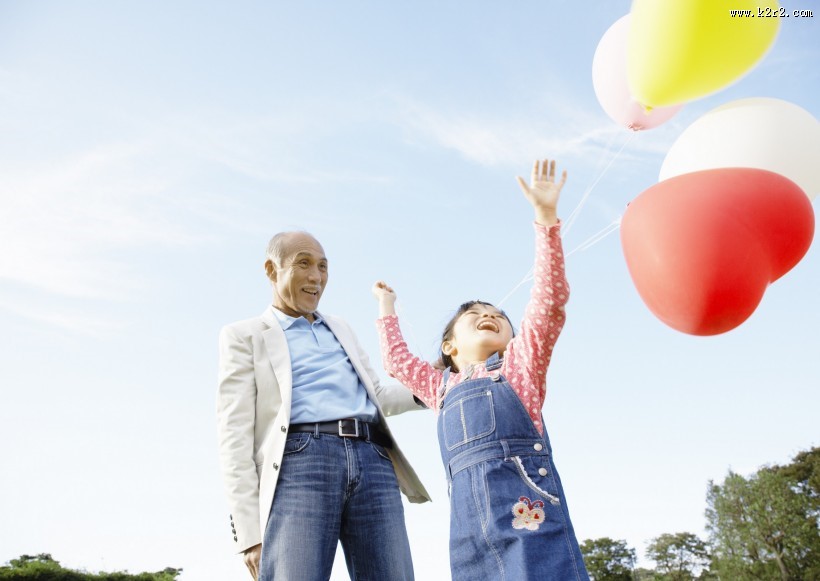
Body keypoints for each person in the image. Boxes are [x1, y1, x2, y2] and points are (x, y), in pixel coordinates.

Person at [371, 159, 589, 580]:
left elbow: (549, 302)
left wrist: (546, 221)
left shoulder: (521, 368)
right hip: (469, 532)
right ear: (449, 346)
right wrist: (387, 308)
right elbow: (396, 361)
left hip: (530, 517)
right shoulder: (439, 388)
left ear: (513, 338)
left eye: (498, 315)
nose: (488, 314)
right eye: (474, 313)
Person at [217, 230, 430, 581]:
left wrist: (436, 383)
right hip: (301, 460)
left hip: (373, 459)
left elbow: (377, 394)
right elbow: (233, 435)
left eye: (323, 267)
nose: (316, 277)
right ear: (272, 270)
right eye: (303, 264)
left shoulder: (341, 328)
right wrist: (249, 533)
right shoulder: (244, 335)